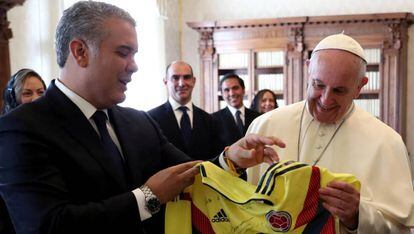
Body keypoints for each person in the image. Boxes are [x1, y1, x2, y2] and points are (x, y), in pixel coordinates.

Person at [0, 2, 284, 234]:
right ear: (80, 52)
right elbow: (48, 225)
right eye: (123, 53)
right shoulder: (22, 129)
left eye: (134, 54)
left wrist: (229, 159)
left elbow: (183, 174)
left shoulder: (138, 122)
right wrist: (147, 198)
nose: (134, 66)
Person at [247, 33, 414, 233]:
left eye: (339, 91)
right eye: (319, 85)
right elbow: (240, 206)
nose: (325, 100)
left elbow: (400, 228)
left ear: (360, 86)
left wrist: (358, 215)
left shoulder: (387, 142)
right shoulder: (265, 125)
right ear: (309, 69)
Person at [148, 61, 221, 160]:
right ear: (165, 82)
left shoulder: (209, 120)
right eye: (175, 78)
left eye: (186, 77)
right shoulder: (151, 119)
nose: (182, 83)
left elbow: (215, 158)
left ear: (193, 81)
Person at [212, 73, 260, 150]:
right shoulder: (213, 119)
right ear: (222, 94)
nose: (232, 93)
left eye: (235, 88)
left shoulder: (257, 117)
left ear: (243, 90)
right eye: (227, 90)